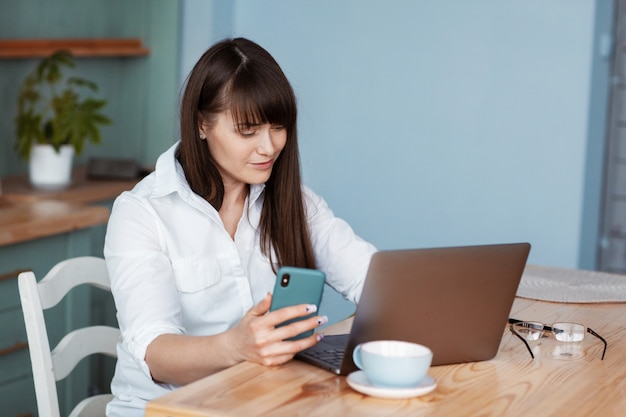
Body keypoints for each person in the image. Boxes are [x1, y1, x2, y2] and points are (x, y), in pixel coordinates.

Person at [103, 37, 377, 417]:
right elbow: (156, 353)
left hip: (262, 403)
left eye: (278, 127)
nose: (268, 147)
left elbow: (376, 282)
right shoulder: (141, 213)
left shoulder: (296, 203)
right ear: (202, 124)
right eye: (248, 131)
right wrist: (237, 345)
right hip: (163, 409)